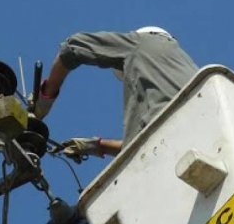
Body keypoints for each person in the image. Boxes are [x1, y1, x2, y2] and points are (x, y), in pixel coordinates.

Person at [34, 26, 199, 161]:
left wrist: (45, 97)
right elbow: (139, 145)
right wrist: (96, 146)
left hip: (168, 141)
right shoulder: (192, 74)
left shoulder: (141, 43)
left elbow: (73, 48)